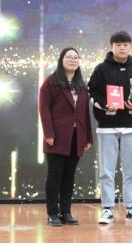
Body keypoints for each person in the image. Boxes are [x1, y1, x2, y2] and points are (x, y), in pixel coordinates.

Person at [87, 31, 132, 225]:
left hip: (131, 128)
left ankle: (131, 208)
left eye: (125, 44)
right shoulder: (101, 69)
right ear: (112, 46)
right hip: (107, 128)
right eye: (118, 44)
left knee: (131, 170)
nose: (122, 47)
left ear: (130, 46)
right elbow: (92, 93)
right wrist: (105, 105)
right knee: (106, 171)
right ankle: (107, 209)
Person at [38, 47, 93, 226]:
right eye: (68, 57)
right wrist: (48, 133)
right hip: (57, 135)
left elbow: (85, 113)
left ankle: (66, 212)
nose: (72, 60)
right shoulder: (51, 82)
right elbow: (44, 108)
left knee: (69, 176)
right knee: (54, 175)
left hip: (77, 137)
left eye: (75, 57)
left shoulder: (81, 85)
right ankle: (52, 214)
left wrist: (88, 137)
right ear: (61, 60)